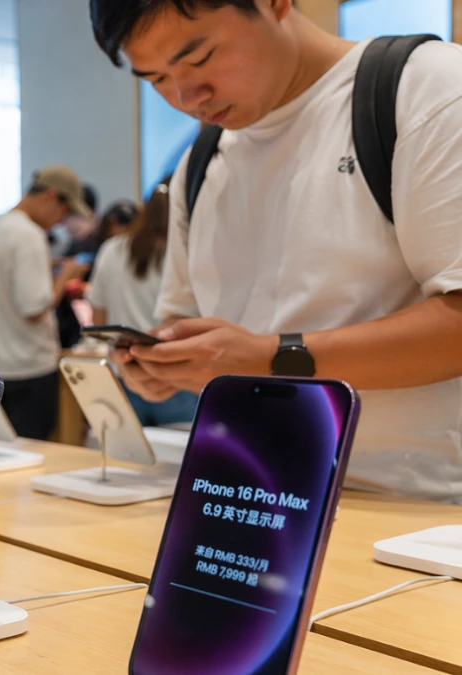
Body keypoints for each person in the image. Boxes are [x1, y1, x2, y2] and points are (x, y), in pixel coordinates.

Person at [91, 0, 462, 502]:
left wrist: (271, 359)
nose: (185, 96)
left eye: (199, 59)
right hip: (246, 498)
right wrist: (164, 365)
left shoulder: (425, 89)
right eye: (155, 78)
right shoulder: (199, 163)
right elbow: (187, 321)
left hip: (413, 508)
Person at [0, 166, 90, 440]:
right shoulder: (29, 234)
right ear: (51, 196)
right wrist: (66, 277)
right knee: (31, 455)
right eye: (66, 210)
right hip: (30, 367)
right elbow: (34, 308)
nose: (61, 220)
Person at [87, 179, 197, 426]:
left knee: (128, 458)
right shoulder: (187, 251)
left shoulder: (112, 249)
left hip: (124, 372)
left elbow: (98, 319)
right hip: (176, 376)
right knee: (179, 458)